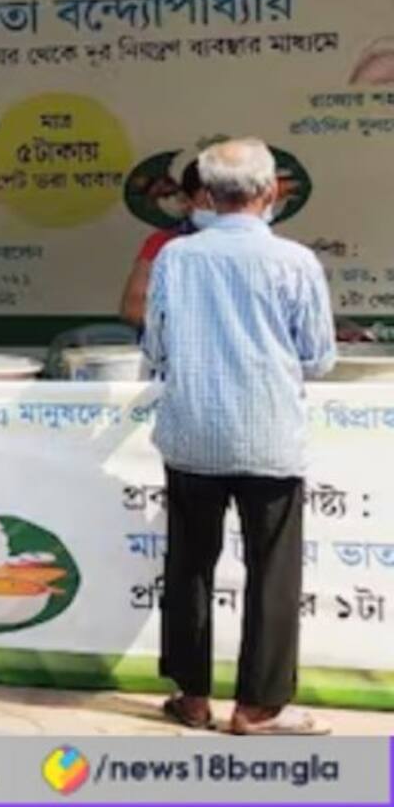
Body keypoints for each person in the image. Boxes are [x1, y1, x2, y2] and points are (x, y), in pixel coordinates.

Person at [143, 138, 336, 736]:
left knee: (190, 564)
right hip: (269, 435)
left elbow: (154, 347)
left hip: (193, 433)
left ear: (206, 193)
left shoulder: (176, 258)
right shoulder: (296, 261)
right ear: (269, 192)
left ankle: (192, 697)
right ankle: (258, 708)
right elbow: (320, 356)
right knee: (273, 570)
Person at [121, 160, 210, 326]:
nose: (218, 209)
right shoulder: (163, 244)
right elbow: (133, 307)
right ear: (186, 202)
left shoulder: (259, 248)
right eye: (207, 202)